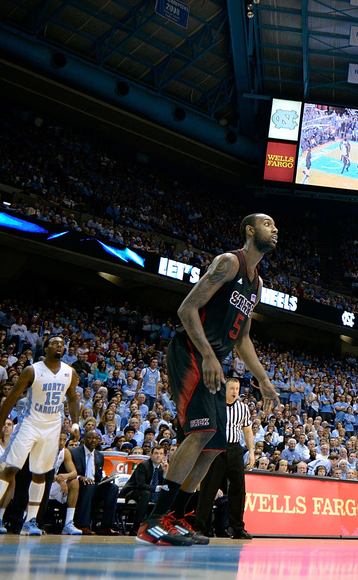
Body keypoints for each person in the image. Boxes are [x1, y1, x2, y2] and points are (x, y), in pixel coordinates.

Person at [137, 214, 279, 546]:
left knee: (214, 445)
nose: (274, 230)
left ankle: (177, 517)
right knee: (201, 430)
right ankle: (152, 521)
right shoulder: (229, 263)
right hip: (191, 351)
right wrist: (209, 355)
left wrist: (264, 379)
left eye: (275, 227)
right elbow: (187, 309)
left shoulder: (256, 283)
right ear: (249, 230)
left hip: (212, 358)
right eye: (267, 224)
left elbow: (242, 339)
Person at [0, 335, 80, 536]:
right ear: (46, 349)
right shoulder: (32, 370)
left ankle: (30, 521)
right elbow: (10, 399)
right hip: (30, 423)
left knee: (40, 474)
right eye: (55, 344)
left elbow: (73, 399)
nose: (59, 346)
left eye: (62, 344)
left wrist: (75, 423)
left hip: (52, 427)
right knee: (11, 468)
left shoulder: (69, 372)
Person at [194, 377, 254, 539]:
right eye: (232, 388)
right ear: (224, 390)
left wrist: (252, 452)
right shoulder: (214, 404)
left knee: (238, 489)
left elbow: (247, 431)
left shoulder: (243, 408)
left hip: (235, 449)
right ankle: (199, 527)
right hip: (216, 448)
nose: (235, 391)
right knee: (208, 488)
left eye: (237, 388)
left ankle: (237, 528)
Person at [70, 429, 119, 534]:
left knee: (113, 488)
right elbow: (67, 471)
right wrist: (80, 477)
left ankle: (106, 526)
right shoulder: (74, 453)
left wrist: (104, 480)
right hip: (78, 485)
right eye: (90, 438)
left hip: (93, 486)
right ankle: (82, 525)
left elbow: (97, 476)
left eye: (96, 438)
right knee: (89, 485)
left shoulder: (99, 455)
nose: (93, 440)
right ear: (84, 439)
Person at [121, 446, 168, 527]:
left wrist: (165, 473)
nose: (158, 456)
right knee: (146, 494)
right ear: (151, 454)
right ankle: (137, 525)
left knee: (166, 494)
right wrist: (157, 488)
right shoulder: (143, 465)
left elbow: (164, 486)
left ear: (164, 456)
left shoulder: (162, 468)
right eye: (156, 453)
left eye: (161, 454)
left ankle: (159, 524)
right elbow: (140, 485)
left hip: (147, 492)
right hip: (133, 491)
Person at [48, 433, 81, 535]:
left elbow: (74, 473)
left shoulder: (65, 452)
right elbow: (41, 472)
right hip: (40, 481)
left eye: (64, 440)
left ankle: (68, 523)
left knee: (74, 483)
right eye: (59, 440)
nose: (62, 443)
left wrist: (64, 477)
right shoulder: (46, 448)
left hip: (53, 483)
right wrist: (60, 480)